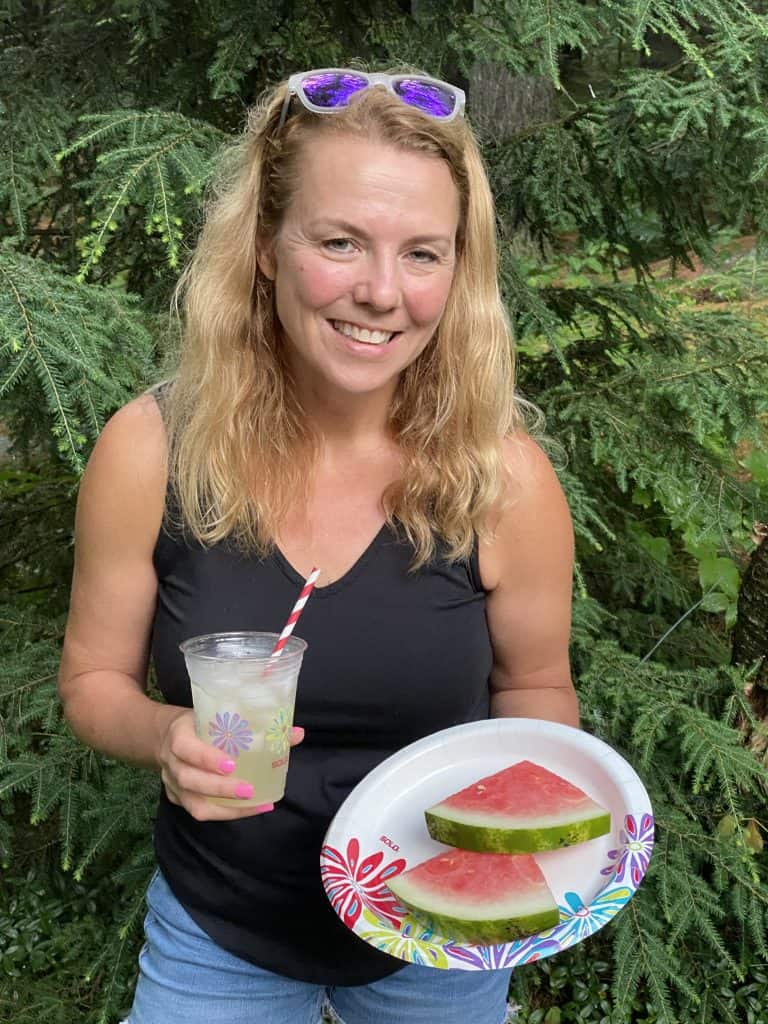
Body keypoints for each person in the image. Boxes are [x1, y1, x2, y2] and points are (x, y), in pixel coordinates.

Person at [58, 68, 578, 1024]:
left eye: (423, 254)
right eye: (340, 243)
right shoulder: (152, 449)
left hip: (441, 937)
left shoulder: (505, 480)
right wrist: (166, 735)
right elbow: (93, 680)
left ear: (458, 271)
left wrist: (519, 831)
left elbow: (538, 692)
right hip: (220, 928)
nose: (382, 293)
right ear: (265, 246)